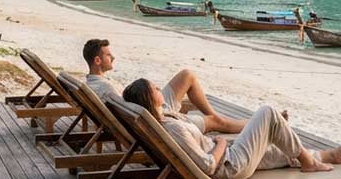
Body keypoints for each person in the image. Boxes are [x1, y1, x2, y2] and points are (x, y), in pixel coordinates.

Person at [122, 78, 341, 179]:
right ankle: (309, 162)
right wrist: (222, 142)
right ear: (149, 99)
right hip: (230, 165)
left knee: (273, 149)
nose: (158, 87)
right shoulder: (172, 129)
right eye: (154, 88)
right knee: (268, 112)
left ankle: (329, 155)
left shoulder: (165, 116)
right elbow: (206, 166)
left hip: (227, 155)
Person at [81, 38, 244, 134]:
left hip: (152, 109)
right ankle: (230, 122)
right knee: (217, 123)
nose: (113, 57)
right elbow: (138, 113)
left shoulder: (94, 84)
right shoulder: (106, 90)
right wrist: (157, 103)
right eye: (108, 55)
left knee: (187, 75)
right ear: (97, 60)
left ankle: (215, 116)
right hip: (160, 118)